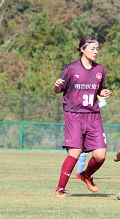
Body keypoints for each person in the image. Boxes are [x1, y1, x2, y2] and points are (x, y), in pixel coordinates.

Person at [53, 35, 111, 198]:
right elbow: (57, 90)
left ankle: (85, 175)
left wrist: (103, 93)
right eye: (92, 48)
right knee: (75, 152)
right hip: (74, 115)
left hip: (93, 116)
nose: (95, 52)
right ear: (82, 49)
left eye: (97, 49)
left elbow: (99, 91)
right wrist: (56, 87)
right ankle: (60, 189)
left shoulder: (100, 70)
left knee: (100, 155)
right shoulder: (71, 69)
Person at [75, 95, 107, 179]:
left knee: (97, 154)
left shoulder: (95, 86)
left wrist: (88, 110)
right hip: (77, 121)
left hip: (92, 123)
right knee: (76, 150)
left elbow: (103, 103)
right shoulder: (77, 87)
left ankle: (80, 174)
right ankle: (79, 174)